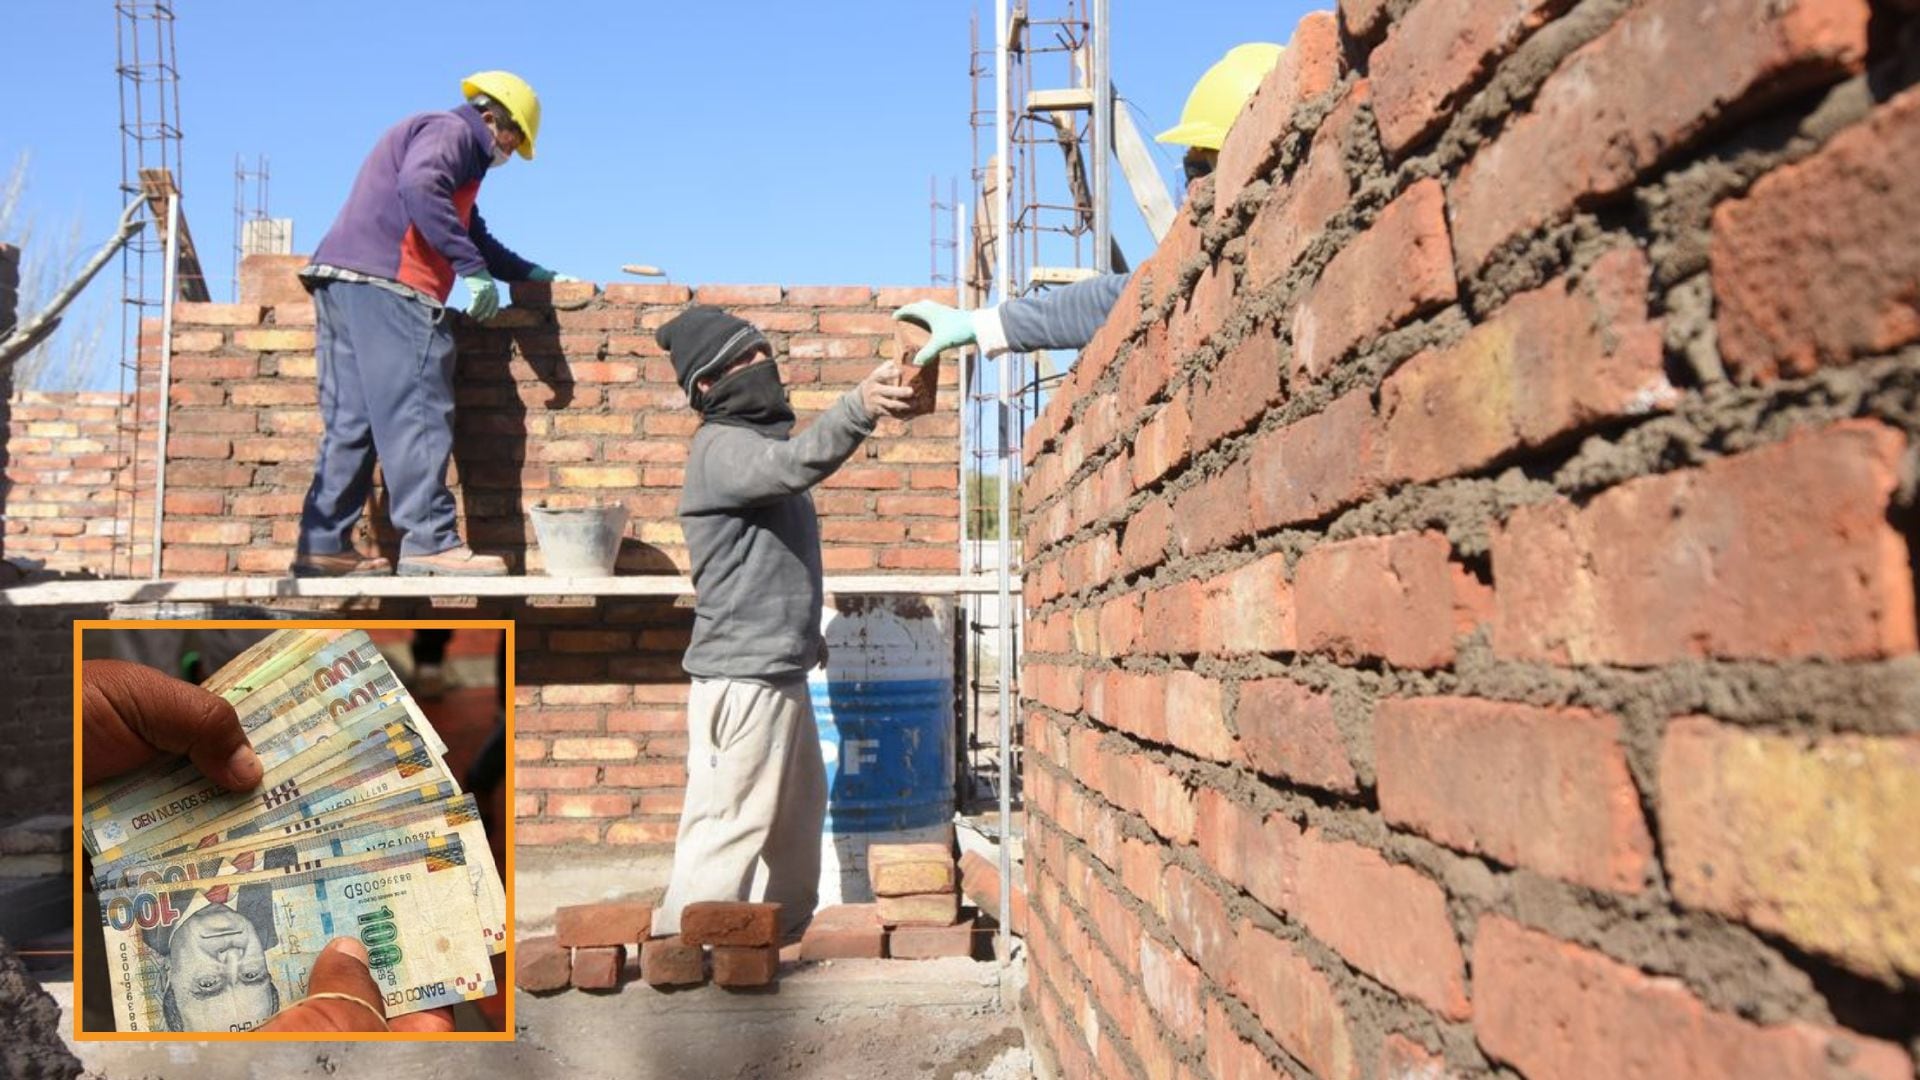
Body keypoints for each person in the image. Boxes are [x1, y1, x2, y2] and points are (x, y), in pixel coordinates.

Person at [648, 307, 916, 941]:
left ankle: (781, 937)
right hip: (743, 679)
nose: (760, 366)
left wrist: (803, 634)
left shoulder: (752, 446)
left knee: (796, 826)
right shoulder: (724, 448)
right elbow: (794, 466)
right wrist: (858, 407)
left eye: (762, 352)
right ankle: (686, 947)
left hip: (779, 670)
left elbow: (771, 562)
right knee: (729, 822)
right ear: (706, 387)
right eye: (742, 361)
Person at [293, 71, 575, 579]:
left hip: (342, 282)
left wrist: (528, 273)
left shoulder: (445, 144)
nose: (508, 152)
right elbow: (422, 189)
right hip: (392, 284)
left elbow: (470, 232)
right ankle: (429, 542)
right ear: (493, 118)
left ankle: (323, 543)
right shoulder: (454, 133)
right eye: (512, 139)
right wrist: (470, 271)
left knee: (352, 423)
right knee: (416, 410)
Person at [82, 659, 453, 1033]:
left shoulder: (141, 912)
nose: (232, 956)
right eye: (252, 975)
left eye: (208, 985)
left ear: (167, 981)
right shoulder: (271, 914)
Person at [893, 43, 1283, 364]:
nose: (1194, 188)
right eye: (1192, 169)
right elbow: (1114, 298)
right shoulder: (1207, 270)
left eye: (1203, 167)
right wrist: (980, 325)